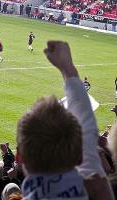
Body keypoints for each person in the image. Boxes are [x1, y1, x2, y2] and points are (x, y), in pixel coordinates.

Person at [17, 41, 114, 199]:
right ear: (80, 156)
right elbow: (87, 129)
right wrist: (68, 67)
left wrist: (68, 69)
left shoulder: (95, 185)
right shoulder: (96, 188)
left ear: (19, 157)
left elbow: (87, 131)